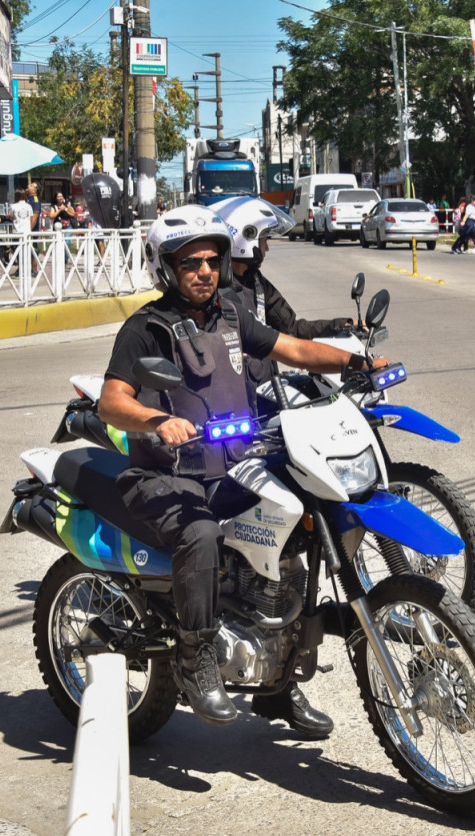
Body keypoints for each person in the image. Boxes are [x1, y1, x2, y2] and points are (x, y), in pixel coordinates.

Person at [97, 205, 388, 730]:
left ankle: (279, 685)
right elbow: (111, 402)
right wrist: (157, 419)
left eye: (212, 260)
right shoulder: (146, 327)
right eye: (190, 263)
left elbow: (293, 347)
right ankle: (196, 661)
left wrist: (354, 362)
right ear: (167, 268)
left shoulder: (232, 316)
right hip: (165, 477)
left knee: (296, 527)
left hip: (232, 468)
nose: (205, 271)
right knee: (203, 535)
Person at [209, 196, 352, 410]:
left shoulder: (256, 282)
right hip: (233, 405)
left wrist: (341, 326)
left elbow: (292, 329)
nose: (266, 248)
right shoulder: (212, 292)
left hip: (268, 394)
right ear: (245, 237)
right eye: (264, 239)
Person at [10, 189, 38, 275]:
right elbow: (30, 217)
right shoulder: (29, 206)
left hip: (17, 231)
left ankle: (20, 269)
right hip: (27, 231)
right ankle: (27, 269)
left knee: (18, 251)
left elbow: (11, 217)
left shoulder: (13, 206)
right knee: (27, 251)